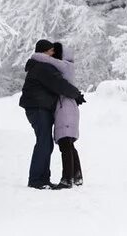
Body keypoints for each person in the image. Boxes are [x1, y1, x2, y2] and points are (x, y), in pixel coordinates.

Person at [18, 39, 85, 190]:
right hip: (38, 107)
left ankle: (42, 178)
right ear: (45, 51)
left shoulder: (41, 66)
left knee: (46, 142)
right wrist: (76, 94)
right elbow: (58, 83)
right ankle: (36, 179)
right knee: (44, 142)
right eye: (51, 50)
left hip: (40, 107)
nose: (53, 53)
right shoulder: (42, 67)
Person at [43, 41, 83, 188]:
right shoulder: (67, 66)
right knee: (68, 144)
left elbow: (45, 59)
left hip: (65, 107)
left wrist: (36, 56)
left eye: (54, 52)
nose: (51, 54)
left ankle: (67, 179)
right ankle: (77, 176)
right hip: (66, 106)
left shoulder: (65, 65)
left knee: (65, 144)